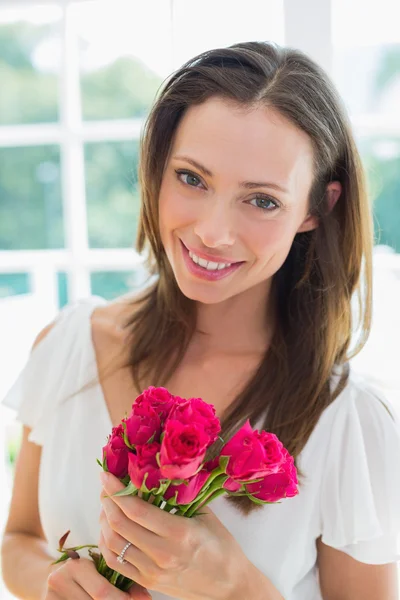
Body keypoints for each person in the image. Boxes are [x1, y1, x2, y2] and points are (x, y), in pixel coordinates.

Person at [1, 40, 400, 600]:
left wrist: (237, 589)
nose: (213, 232)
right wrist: (54, 584)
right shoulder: (70, 346)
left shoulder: (349, 423)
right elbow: (20, 537)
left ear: (316, 208)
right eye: (192, 178)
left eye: (261, 201)